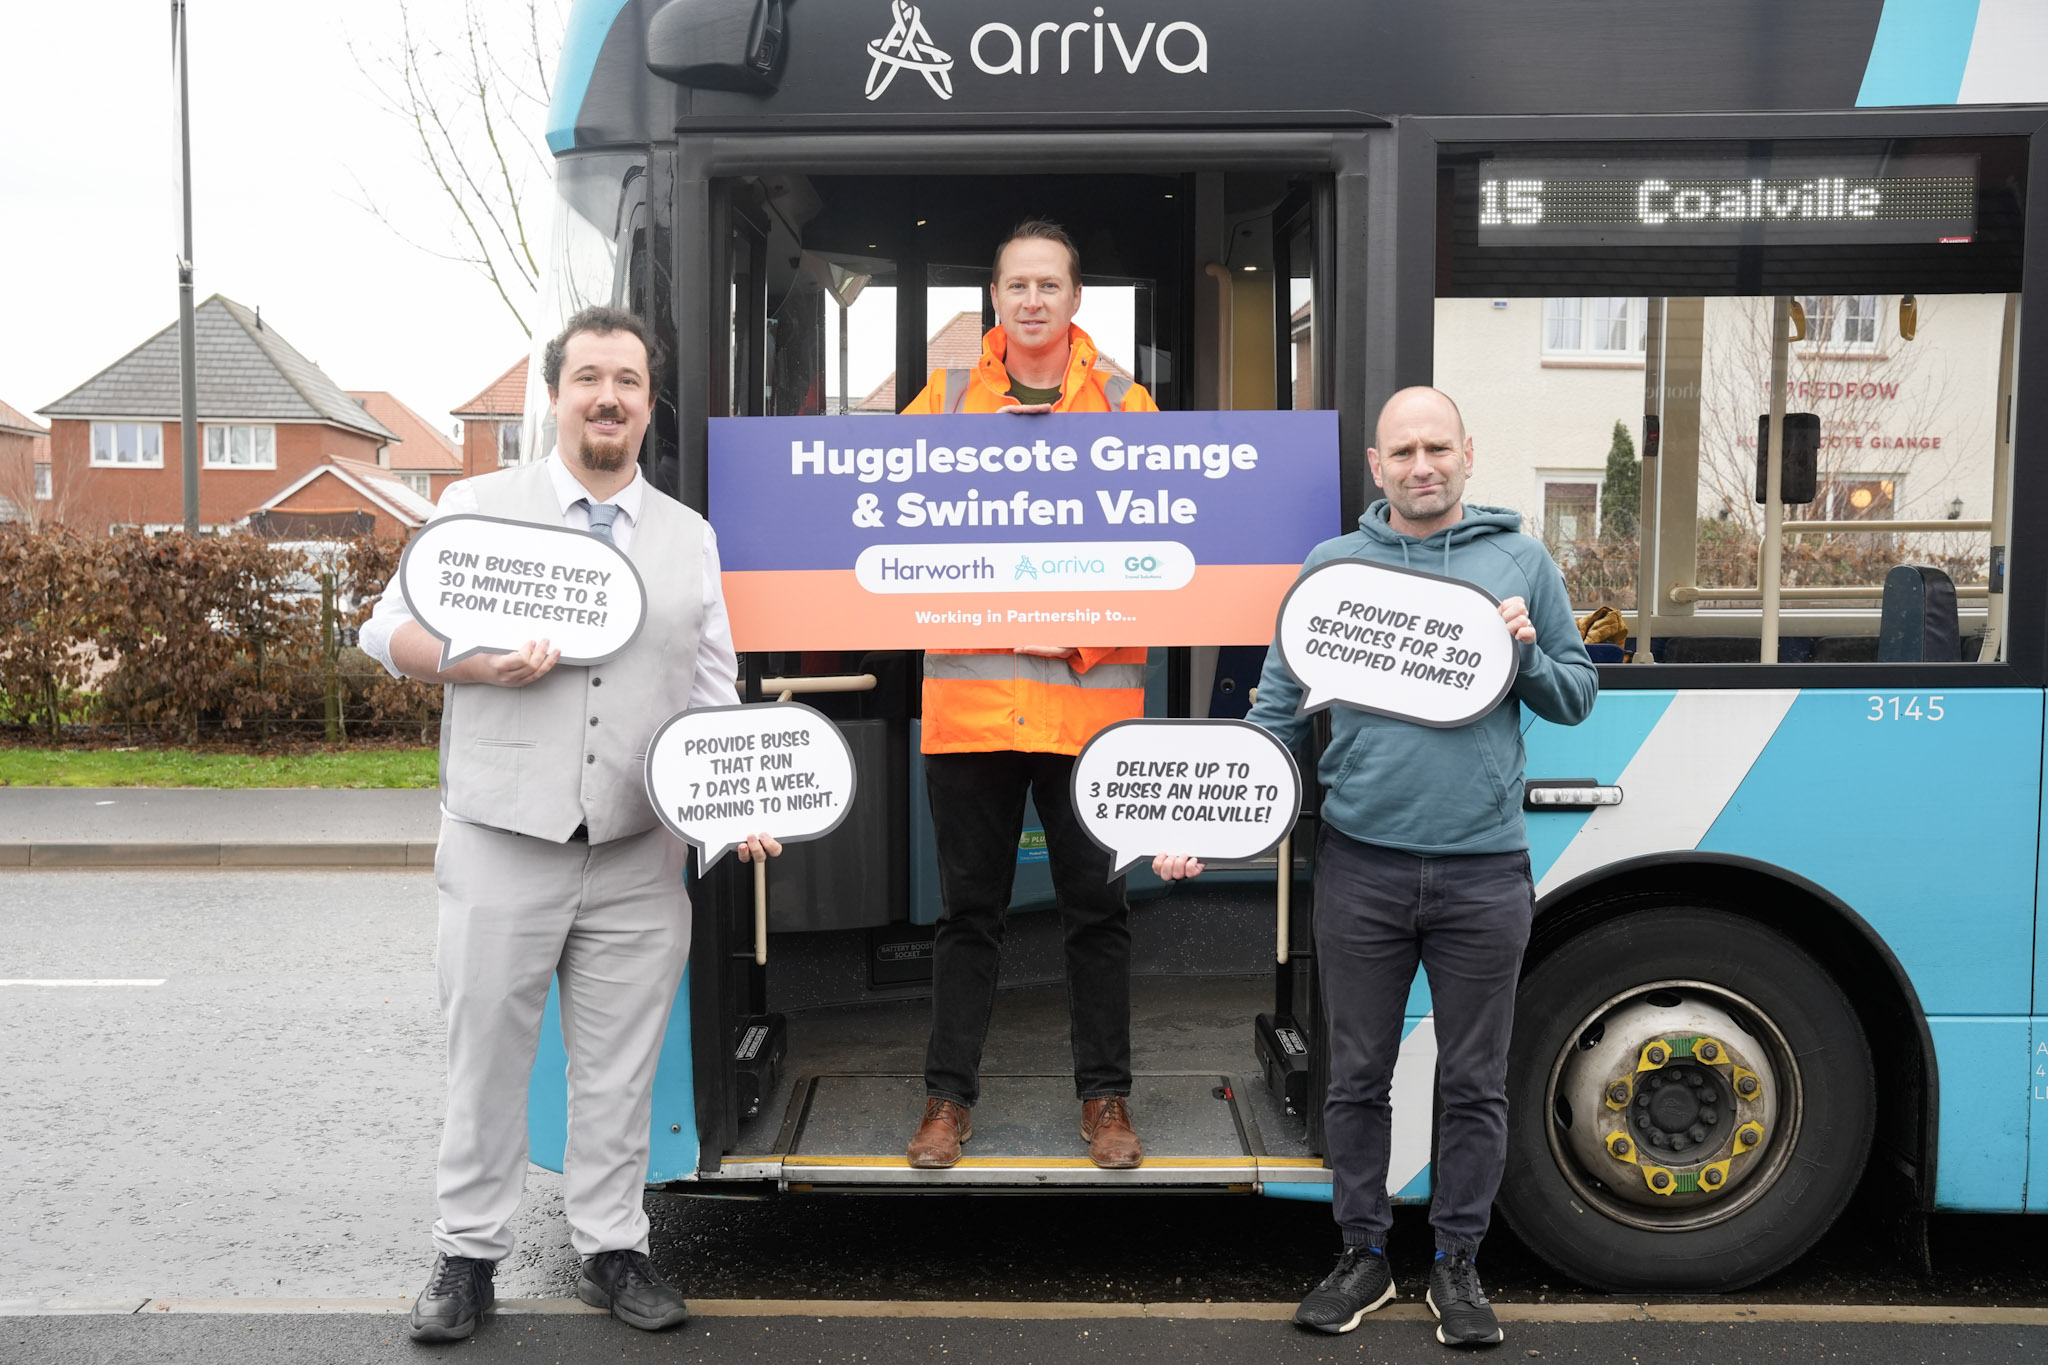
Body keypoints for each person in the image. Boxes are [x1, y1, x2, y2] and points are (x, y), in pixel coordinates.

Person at [360, 306, 781, 1342]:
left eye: (627, 382)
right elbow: (384, 630)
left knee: (618, 1067)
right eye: (588, 377)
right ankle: (465, 1258)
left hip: (639, 851)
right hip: (503, 837)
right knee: (486, 1058)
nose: (607, 397)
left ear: (647, 403)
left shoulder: (689, 537)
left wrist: (740, 802)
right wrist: (472, 661)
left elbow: (712, 695)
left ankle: (612, 1247)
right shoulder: (475, 508)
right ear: (554, 395)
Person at [1154, 387, 1596, 1347]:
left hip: (1484, 870)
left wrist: (1521, 652)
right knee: (1356, 1076)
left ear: (1468, 453)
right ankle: (1362, 1255)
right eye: (1404, 451)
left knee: (1475, 1081)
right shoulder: (1333, 570)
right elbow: (1274, 718)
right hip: (1361, 866)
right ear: (1375, 465)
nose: (1422, 465)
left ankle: (1458, 1266)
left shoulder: (1520, 560)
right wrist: (1205, 819)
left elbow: (1577, 696)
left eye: (1439, 446)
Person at [899, 220, 1159, 1171]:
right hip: (971, 718)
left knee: (1099, 915)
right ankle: (944, 1102)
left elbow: (1169, 558)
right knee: (970, 916)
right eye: (1018, 286)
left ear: (1077, 299)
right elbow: (896, 542)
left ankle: (1107, 1101)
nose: (1035, 300)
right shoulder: (944, 402)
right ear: (995, 300)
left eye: (1051, 284)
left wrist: (1082, 633)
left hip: (1091, 720)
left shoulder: (1130, 405)